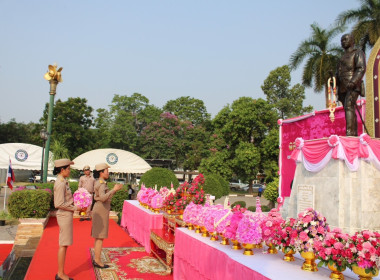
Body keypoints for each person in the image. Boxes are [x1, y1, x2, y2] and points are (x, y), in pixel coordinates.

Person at [91, 163, 123, 268]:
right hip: (101, 209)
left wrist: (113, 191)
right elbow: (104, 197)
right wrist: (114, 190)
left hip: (101, 209)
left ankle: (96, 259)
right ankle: (98, 260)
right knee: (100, 237)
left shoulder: (100, 182)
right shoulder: (101, 183)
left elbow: (104, 197)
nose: (108, 173)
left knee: (98, 236)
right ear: (101, 172)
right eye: (106, 171)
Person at [336, 33, 366, 136]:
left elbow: (361, 68)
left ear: (352, 41)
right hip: (343, 87)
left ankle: (350, 133)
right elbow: (338, 73)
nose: (343, 42)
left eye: (345, 39)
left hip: (352, 85)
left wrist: (353, 82)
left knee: (349, 106)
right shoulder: (342, 58)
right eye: (341, 40)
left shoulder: (357, 53)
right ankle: (353, 132)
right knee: (348, 108)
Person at [53, 158, 76, 280]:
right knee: (63, 244)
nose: (69, 171)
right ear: (62, 170)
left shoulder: (63, 181)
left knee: (65, 244)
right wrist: (74, 207)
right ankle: (60, 274)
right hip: (64, 215)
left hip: (66, 214)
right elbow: (59, 203)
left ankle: (61, 272)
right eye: (68, 169)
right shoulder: (60, 183)